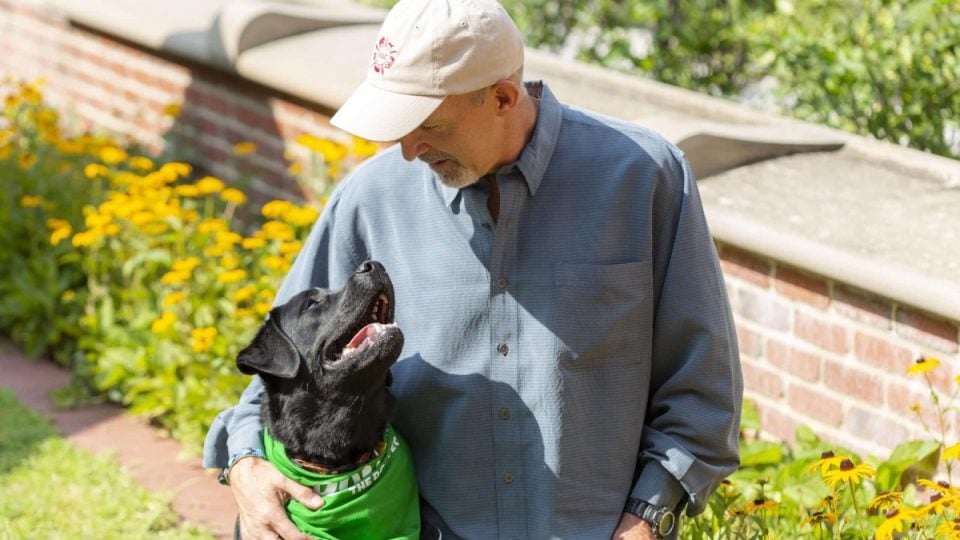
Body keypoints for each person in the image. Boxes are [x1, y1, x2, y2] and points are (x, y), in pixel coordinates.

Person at [203, 0, 743, 538]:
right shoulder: (371, 199)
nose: (409, 150)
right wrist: (246, 460)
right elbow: (286, 362)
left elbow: (701, 390)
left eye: (427, 125)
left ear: (503, 98)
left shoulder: (645, 178)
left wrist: (647, 516)